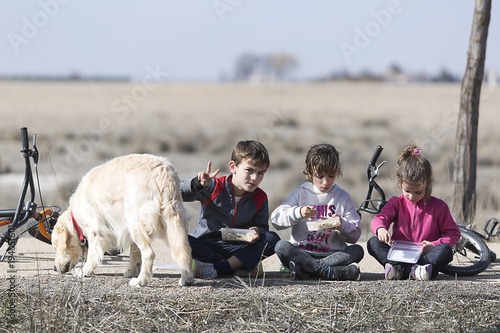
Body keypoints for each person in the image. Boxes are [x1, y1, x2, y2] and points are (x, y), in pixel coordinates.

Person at [180, 140, 280, 279]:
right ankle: (240, 266)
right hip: (207, 245)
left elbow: (263, 228)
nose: (254, 178)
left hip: (238, 248)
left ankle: (217, 268)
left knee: (272, 238)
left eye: (261, 173)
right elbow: (176, 192)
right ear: (233, 167)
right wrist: (197, 184)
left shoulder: (261, 197)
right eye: (249, 170)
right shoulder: (214, 186)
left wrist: (257, 231)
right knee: (179, 236)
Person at [367, 144, 461, 281]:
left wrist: (434, 245)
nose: (411, 196)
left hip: (424, 257)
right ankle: (407, 271)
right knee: (373, 242)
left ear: (429, 184)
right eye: (407, 191)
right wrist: (381, 229)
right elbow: (380, 218)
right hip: (400, 255)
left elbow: (453, 233)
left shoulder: (439, 206)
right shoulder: (396, 202)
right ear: (400, 184)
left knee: (445, 251)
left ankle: (402, 271)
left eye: (418, 192)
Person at [271, 143, 363, 281]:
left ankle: (307, 271)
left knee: (358, 250)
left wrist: (341, 224)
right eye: (320, 176)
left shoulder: (343, 197)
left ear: (338, 172)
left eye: (331, 176)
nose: (325, 182)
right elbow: (276, 220)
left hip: (332, 255)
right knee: (281, 246)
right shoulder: (302, 193)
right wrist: (298, 212)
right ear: (309, 172)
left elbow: (355, 236)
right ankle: (328, 272)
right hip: (301, 253)